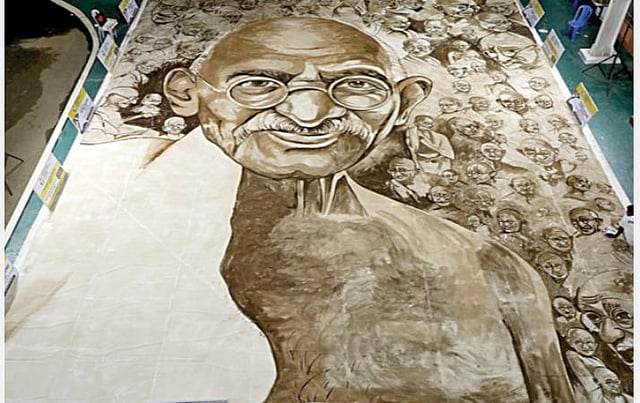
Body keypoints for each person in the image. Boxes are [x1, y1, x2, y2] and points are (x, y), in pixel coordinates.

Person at [163, 16, 574, 401]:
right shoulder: (147, 221)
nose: (310, 115)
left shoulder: (489, 264)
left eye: (357, 85)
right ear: (186, 94)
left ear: (403, 104)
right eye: (258, 84)